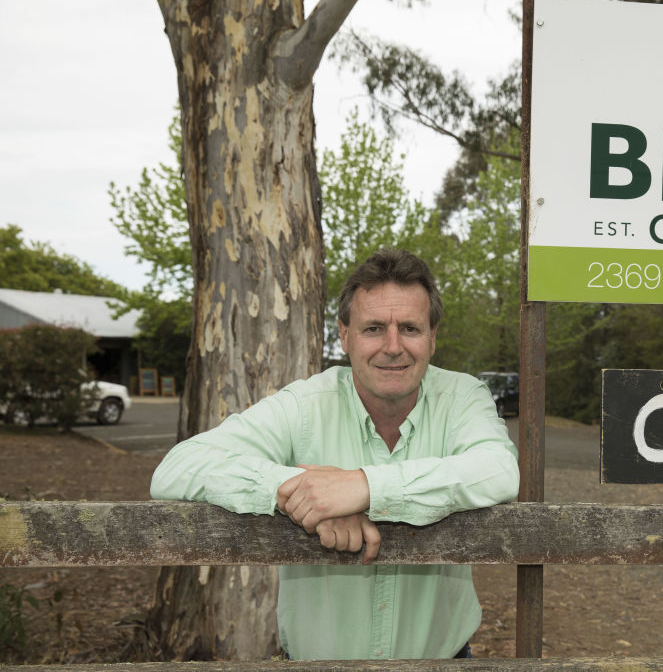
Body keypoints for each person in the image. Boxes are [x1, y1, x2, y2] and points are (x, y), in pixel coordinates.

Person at [150, 248, 520, 660]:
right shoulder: (305, 404)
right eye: (374, 328)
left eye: (411, 329)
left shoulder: (463, 397)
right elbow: (176, 467)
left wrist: (364, 487)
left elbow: (498, 470)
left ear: (433, 336)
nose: (393, 346)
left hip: (443, 663)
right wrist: (303, 491)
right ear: (344, 335)